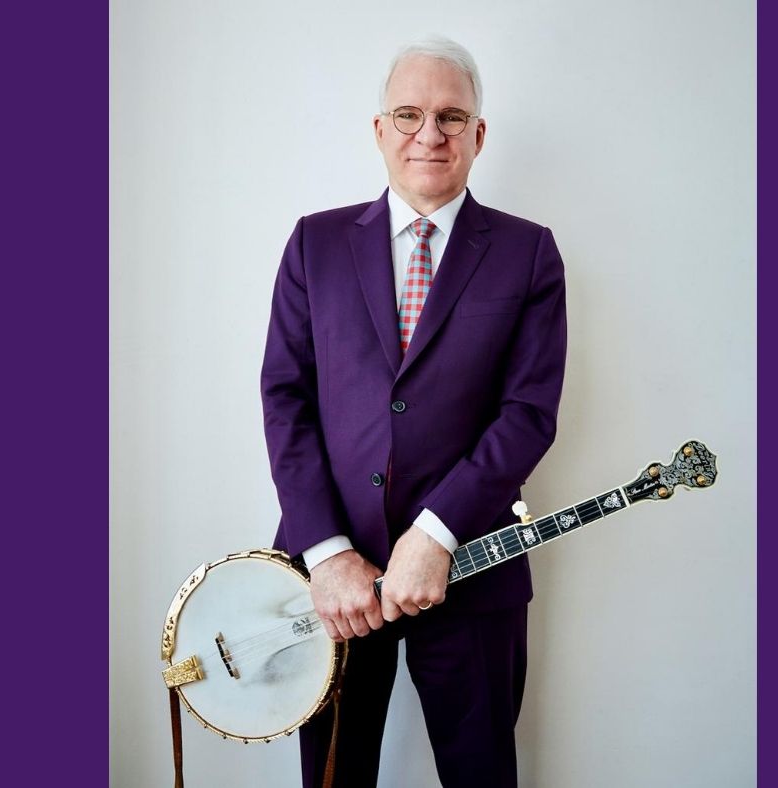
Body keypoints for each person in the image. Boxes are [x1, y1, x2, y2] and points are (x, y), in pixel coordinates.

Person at [261, 35, 567, 788]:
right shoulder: (315, 244)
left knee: (481, 774)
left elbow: (528, 412)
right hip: (331, 587)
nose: (429, 134)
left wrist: (436, 535)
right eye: (409, 114)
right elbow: (285, 398)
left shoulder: (529, 254)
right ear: (379, 130)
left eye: (451, 117)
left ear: (479, 134)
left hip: (471, 569)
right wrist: (327, 554)